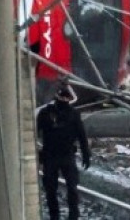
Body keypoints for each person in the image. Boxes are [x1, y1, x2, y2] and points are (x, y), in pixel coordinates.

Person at [37, 81, 91, 220]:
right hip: (50, 155)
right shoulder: (45, 113)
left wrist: (86, 154)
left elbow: (81, 134)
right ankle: (54, 216)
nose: (65, 100)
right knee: (50, 190)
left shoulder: (73, 114)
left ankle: (73, 216)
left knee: (72, 188)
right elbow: (35, 132)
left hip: (67, 155)